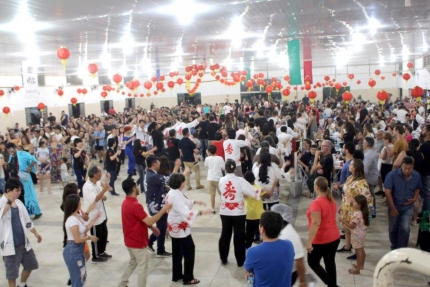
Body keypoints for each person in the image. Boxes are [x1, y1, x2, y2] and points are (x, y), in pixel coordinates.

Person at [118, 178, 172, 287]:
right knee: (142, 268)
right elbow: (150, 219)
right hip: (137, 241)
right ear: (134, 188)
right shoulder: (135, 205)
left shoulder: (125, 202)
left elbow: (139, 219)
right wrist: (163, 209)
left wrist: (151, 227)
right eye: (136, 186)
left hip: (129, 240)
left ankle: (122, 283)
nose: (138, 187)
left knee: (133, 262)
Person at [165, 173, 212, 284]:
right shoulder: (176, 195)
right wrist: (202, 212)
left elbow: (184, 203)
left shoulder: (172, 192)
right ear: (181, 183)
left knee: (177, 251)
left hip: (173, 226)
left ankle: (176, 275)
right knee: (189, 250)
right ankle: (188, 278)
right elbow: (186, 212)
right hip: (180, 228)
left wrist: (194, 201)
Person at [218, 159, 262, 266]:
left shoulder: (221, 180)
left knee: (225, 234)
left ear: (226, 168)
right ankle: (240, 260)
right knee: (239, 236)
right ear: (235, 169)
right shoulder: (240, 180)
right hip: (238, 212)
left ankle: (223, 258)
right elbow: (254, 193)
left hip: (225, 211)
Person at [0, 178, 42, 287]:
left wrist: (35, 233)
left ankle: (22, 285)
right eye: (16, 190)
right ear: (8, 190)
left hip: (23, 243)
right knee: (12, 274)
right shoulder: (1, 203)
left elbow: (27, 221)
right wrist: (8, 202)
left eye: (20, 190)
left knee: (31, 265)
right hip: (10, 246)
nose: (19, 193)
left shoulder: (19, 203)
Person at [244, 211, 295, 287]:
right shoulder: (289, 245)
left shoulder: (253, 252)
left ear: (262, 229)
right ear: (281, 228)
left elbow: (247, 269)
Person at [306, 176, 340, 287]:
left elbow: (316, 223)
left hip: (321, 239)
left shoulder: (316, 203)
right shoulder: (331, 199)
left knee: (313, 262)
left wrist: (309, 242)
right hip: (334, 237)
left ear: (316, 187)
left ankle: (332, 285)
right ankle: (333, 284)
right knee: (330, 262)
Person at [62, 194, 100, 287]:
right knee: (78, 280)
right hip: (73, 251)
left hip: (78, 250)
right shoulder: (72, 220)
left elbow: (85, 229)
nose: (80, 203)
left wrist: (94, 219)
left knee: (81, 277)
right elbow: (78, 239)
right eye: (79, 201)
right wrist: (90, 237)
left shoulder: (77, 216)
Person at [385, 156, 421, 250]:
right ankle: (394, 246)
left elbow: (418, 187)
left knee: (404, 228)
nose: (407, 170)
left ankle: (401, 249)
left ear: (413, 167)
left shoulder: (416, 175)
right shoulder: (392, 175)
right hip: (395, 205)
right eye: (405, 167)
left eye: (409, 168)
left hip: (407, 207)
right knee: (393, 228)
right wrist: (392, 208)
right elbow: (388, 192)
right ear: (401, 165)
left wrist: (414, 198)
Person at [82, 165, 113, 263]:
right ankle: (96, 255)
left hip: (101, 213)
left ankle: (102, 251)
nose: (102, 174)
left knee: (104, 233)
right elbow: (94, 199)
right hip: (93, 216)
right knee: (96, 235)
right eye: (100, 172)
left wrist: (107, 181)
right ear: (95, 174)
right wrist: (103, 192)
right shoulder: (87, 186)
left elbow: (107, 188)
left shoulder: (97, 182)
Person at [271, 204, 307, 286]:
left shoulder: (290, 235)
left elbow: (299, 260)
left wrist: (302, 281)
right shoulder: (279, 231)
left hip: (287, 274)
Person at [6, 142, 41, 219]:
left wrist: (30, 167)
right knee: (20, 196)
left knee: (30, 194)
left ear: (14, 147)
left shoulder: (23, 153)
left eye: (10, 148)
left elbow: (34, 159)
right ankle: (24, 213)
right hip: (16, 179)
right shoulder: (10, 157)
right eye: (8, 149)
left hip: (25, 177)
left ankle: (37, 212)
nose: (9, 151)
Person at [145, 155, 171, 257]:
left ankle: (152, 243)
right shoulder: (153, 176)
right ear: (154, 164)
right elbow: (168, 179)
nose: (160, 164)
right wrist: (178, 168)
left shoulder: (151, 174)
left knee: (162, 226)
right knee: (161, 227)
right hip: (156, 206)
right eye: (158, 162)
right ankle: (159, 249)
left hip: (157, 203)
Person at [243, 171, 276, 249]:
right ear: (254, 178)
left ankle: (248, 250)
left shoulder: (244, 189)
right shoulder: (258, 188)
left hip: (249, 215)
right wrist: (273, 185)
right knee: (264, 233)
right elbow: (269, 196)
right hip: (259, 215)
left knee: (249, 235)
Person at [339, 194, 369, 275]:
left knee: (358, 252)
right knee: (362, 249)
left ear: (359, 204)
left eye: (355, 202)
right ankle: (361, 265)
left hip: (356, 235)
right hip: (362, 234)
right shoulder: (363, 212)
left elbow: (352, 226)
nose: (353, 203)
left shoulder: (357, 214)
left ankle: (357, 270)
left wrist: (343, 221)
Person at [204, 145, 225, 213]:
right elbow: (223, 168)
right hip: (219, 178)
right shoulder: (220, 158)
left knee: (212, 194)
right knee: (221, 194)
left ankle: (213, 209)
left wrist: (208, 155)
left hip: (210, 178)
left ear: (209, 151)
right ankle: (223, 207)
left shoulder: (207, 159)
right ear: (216, 150)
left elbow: (206, 165)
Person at [363, 137, 379, 217]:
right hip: (373, 176)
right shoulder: (372, 152)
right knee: (371, 195)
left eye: (364, 143)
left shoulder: (368, 155)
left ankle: (372, 211)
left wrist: (363, 179)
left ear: (367, 144)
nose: (363, 144)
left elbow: (365, 169)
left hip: (369, 178)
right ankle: (372, 211)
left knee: (370, 195)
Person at [419, 124, 430, 213]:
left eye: (424, 129)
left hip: (424, 172)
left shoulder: (424, 146)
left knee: (426, 194)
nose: (422, 131)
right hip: (427, 172)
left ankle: (426, 212)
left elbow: (420, 159)